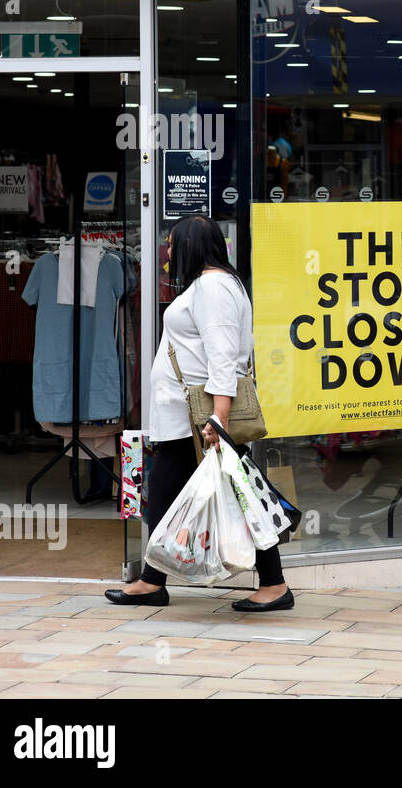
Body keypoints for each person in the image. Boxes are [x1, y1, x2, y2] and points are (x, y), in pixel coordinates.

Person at [106, 215, 293, 612]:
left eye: (173, 244)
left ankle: (272, 585)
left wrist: (218, 419)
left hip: (200, 420)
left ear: (191, 245)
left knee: (230, 495)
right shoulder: (212, 285)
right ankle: (153, 581)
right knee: (216, 493)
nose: (168, 252)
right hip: (186, 419)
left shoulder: (213, 287)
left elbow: (223, 355)